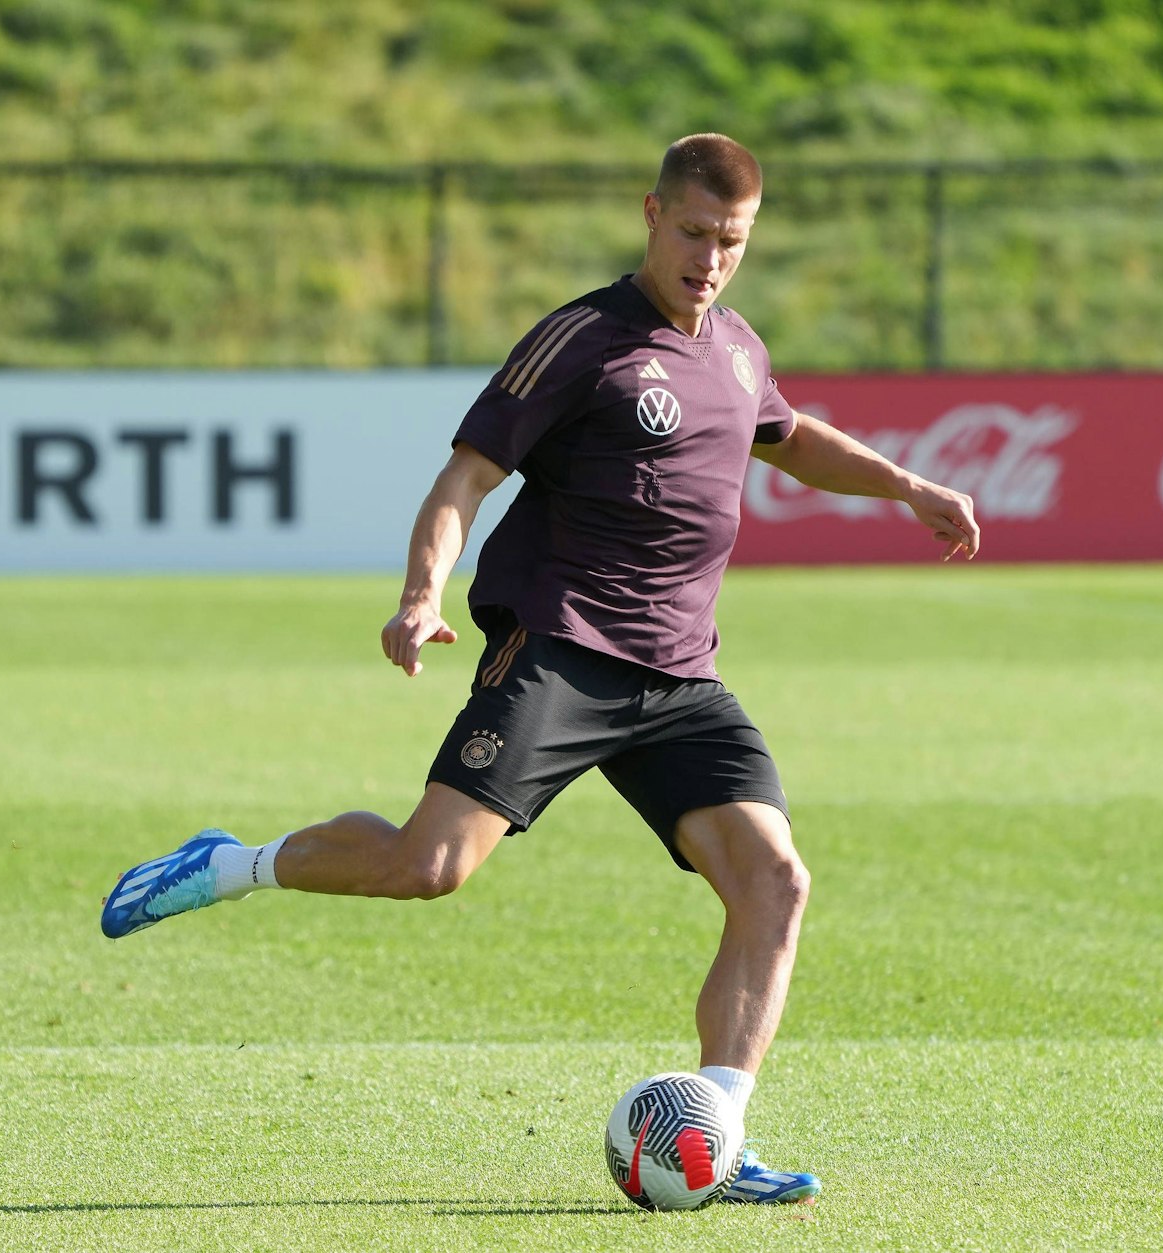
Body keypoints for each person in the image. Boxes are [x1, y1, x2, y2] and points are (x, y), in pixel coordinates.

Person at [100, 133, 980, 1205]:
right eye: (694, 233)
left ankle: (717, 1128)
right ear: (651, 214)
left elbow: (785, 436)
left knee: (774, 880)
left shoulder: (738, 346)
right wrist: (423, 593)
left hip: (679, 678)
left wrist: (907, 486)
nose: (709, 259)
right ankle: (229, 861)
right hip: (561, 648)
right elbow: (464, 477)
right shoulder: (581, 338)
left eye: (732, 241)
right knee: (427, 867)